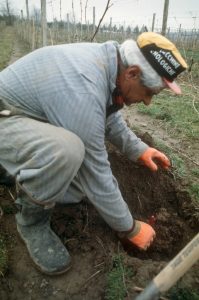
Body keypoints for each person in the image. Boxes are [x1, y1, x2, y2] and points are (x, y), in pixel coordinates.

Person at [0, 32, 187, 275]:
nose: (149, 102)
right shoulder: (84, 82)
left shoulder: (109, 63)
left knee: (74, 181)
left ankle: (13, 170)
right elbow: (95, 171)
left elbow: (107, 116)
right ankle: (31, 222)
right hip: (6, 119)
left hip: (22, 118)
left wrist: (139, 149)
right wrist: (129, 228)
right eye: (150, 92)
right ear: (132, 73)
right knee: (67, 151)